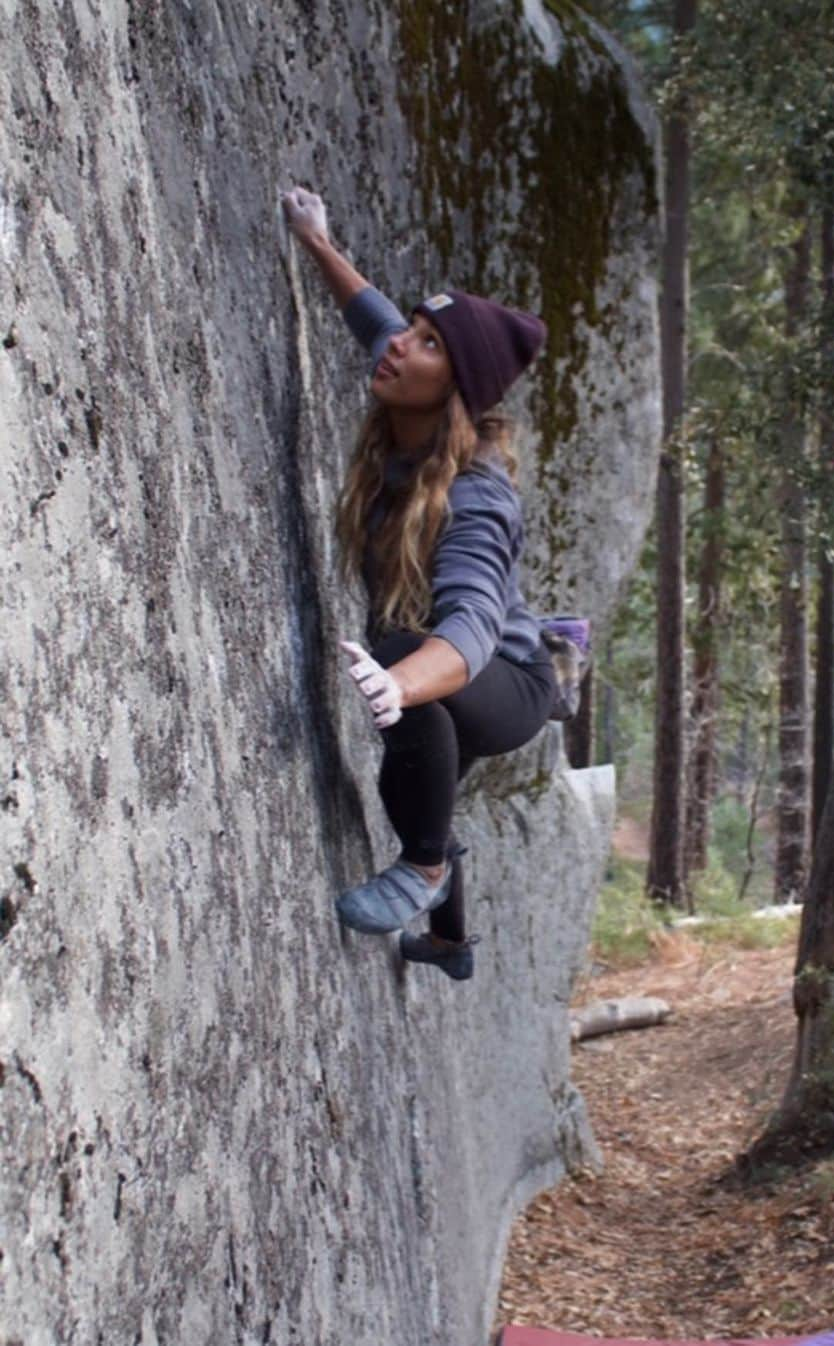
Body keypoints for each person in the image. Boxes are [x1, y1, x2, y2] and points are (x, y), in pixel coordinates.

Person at [281, 185, 556, 982]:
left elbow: (471, 622)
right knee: (427, 769)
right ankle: (447, 943)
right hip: (445, 670)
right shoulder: (410, 383)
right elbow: (373, 319)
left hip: (506, 679)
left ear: (456, 386)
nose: (403, 346)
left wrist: (400, 681)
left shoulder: (478, 490)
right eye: (415, 327)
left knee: (415, 710)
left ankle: (426, 872)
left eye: (430, 344)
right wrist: (317, 242)